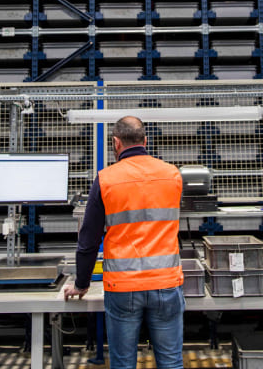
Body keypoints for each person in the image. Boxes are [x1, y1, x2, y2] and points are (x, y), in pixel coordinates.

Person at [63, 116, 185, 369]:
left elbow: (88, 241)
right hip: (166, 282)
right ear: (146, 140)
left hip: (123, 286)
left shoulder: (106, 179)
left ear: (115, 142)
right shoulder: (172, 174)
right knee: (172, 362)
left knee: (123, 363)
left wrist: (82, 284)